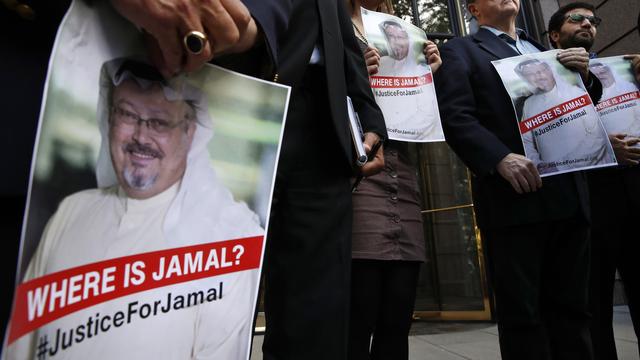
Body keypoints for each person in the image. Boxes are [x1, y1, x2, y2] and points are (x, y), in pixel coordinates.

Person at [1, 0, 289, 338]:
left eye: (159, 121)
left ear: (190, 132)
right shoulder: (70, 213)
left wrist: (240, 23)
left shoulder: (231, 233)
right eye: (127, 114)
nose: (141, 137)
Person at [435, 0, 603, 358]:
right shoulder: (461, 51)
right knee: (524, 318)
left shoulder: (545, 51)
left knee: (574, 312)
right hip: (514, 200)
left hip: (570, 198)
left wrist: (585, 78)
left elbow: (580, 105)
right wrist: (497, 158)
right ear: (473, 9)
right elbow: (454, 116)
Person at [261, 1, 387, 359]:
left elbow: (347, 52)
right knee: (219, 273)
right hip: (240, 100)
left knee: (319, 294)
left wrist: (370, 119)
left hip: (322, 128)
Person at [347, 1, 440, 359]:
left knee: (398, 317)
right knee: (359, 312)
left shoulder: (402, 30)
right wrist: (351, 71)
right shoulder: (332, 24)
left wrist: (429, 74)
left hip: (402, 168)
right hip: (359, 166)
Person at [547, 3, 640, 359]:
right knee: (592, 303)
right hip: (588, 202)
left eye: (593, 20)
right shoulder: (546, 76)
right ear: (555, 35)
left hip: (634, 194)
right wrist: (602, 147)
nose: (587, 23)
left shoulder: (625, 70)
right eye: (576, 19)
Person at [515, 58, 613, 174]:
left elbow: (597, 137)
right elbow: (526, 141)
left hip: (592, 170)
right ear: (526, 79)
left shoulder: (577, 94)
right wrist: (538, 164)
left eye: (541, 71)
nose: (538, 77)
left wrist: (561, 167)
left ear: (551, 70)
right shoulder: (529, 104)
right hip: (553, 177)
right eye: (530, 75)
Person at [374, 18, 441, 139]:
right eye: (390, 37)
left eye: (400, 38)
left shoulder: (422, 68)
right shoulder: (380, 63)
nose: (395, 42)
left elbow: (426, 116)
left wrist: (390, 130)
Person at [590, 61, 640, 138]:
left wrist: (629, 135)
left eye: (602, 73)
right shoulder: (590, 97)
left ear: (611, 73)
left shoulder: (628, 87)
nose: (600, 76)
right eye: (595, 75)